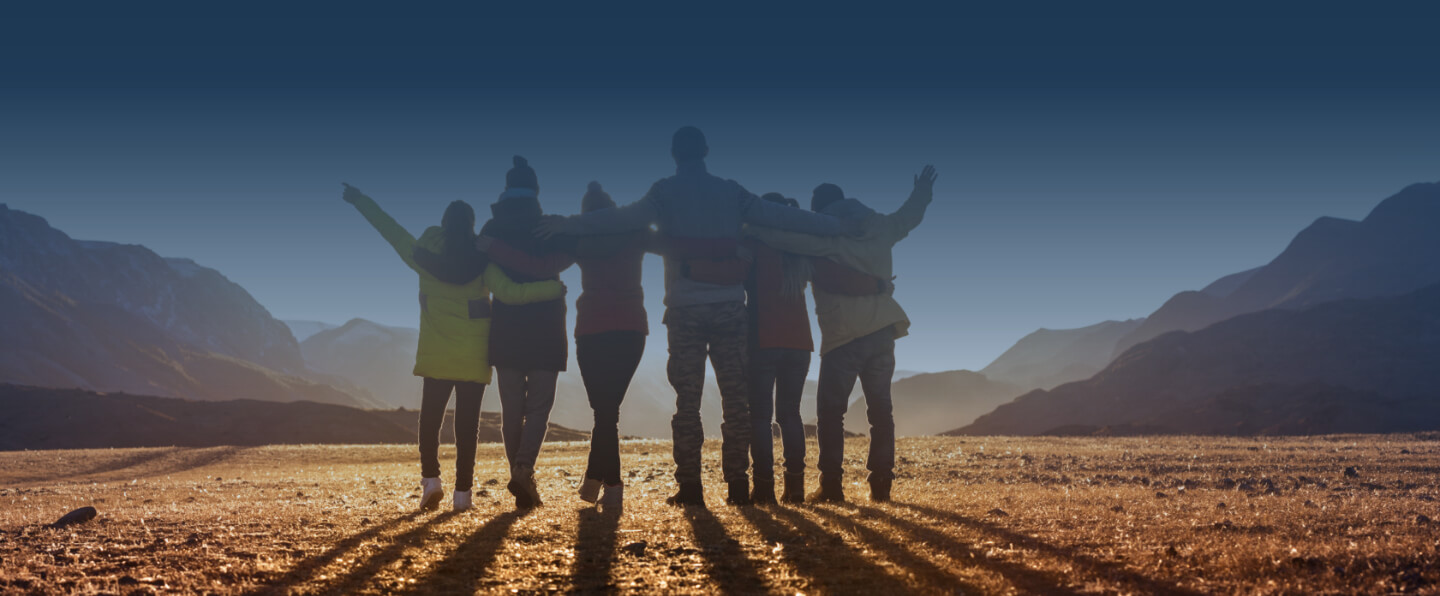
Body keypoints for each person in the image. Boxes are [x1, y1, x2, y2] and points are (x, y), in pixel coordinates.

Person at [536, 126, 857, 507]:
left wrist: (568, 223)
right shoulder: (730, 191)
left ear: (674, 155)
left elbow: (620, 219)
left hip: (685, 310)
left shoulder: (663, 192)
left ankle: (690, 489)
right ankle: (737, 488)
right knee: (736, 402)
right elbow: (783, 217)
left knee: (686, 403)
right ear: (705, 150)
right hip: (728, 308)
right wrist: (838, 227)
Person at [341, 183, 565, 513]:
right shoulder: (484, 264)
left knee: (430, 422)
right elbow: (511, 293)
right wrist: (551, 288)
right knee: (466, 429)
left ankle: (431, 482)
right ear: (472, 227)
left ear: (444, 225)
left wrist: (359, 199)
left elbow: (390, 229)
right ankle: (463, 495)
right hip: (473, 359)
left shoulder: (421, 256)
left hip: (436, 356)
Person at [745, 165, 937, 503]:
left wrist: (751, 225)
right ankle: (881, 486)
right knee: (881, 411)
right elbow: (910, 216)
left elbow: (785, 238)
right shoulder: (880, 226)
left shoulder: (823, 234)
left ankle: (831, 486)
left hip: (843, 336)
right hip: (882, 330)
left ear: (818, 209)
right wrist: (923, 189)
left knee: (831, 414)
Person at [415, 156, 571, 510]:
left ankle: (516, 474)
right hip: (546, 328)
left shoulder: (491, 231)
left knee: (511, 409)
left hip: (506, 332)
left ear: (505, 191)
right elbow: (559, 261)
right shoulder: (549, 227)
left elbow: (474, 271)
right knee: (540, 407)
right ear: (535, 191)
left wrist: (429, 267)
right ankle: (522, 470)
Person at [743, 194, 893, 505]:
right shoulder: (803, 253)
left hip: (762, 338)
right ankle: (795, 489)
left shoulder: (753, 245)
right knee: (790, 414)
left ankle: (764, 488)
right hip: (800, 343)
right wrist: (877, 285)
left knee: (759, 417)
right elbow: (838, 277)